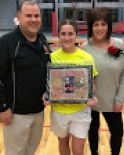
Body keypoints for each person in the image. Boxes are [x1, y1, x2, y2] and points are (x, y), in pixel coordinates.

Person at [0, 1, 51, 155]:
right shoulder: (6, 43)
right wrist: (2, 107)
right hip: (15, 115)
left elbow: (49, 69)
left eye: (36, 16)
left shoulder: (42, 40)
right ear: (18, 17)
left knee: (31, 151)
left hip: (38, 112)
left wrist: (50, 91)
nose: (33, 19)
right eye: (28, 15)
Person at [43, 19, 98, 155]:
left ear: (76, 35)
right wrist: (47, 94)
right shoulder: (52, 58)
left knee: (78, 150)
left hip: (81, 111)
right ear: (58, 36)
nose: (67, 38)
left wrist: (90, 96)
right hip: (59, 111)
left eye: (70, 34)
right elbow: (50, 85)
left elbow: (92, 85)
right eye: (63, 34)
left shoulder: (87, 58)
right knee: (62, 143)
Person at [81, 7, 124, 155]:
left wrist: (120, 100)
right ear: (91, 27)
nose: (100, 28)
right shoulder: (84, 48)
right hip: (92, 102)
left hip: (113, 101)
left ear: (108, 25)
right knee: (92, 134)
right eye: (96, 24)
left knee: (117, 133)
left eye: (103, 24)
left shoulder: (120, 46)